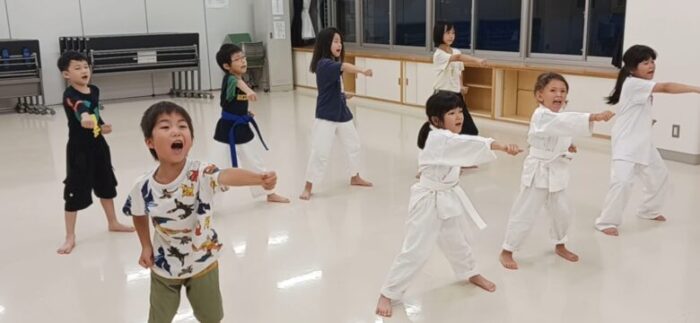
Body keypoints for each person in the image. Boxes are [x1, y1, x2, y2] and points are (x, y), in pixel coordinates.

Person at [123, 101, 278, 323]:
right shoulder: (143, 186)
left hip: (202, 259)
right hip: (165, 265)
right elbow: (138, 213)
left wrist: (258, 179)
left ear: (191, 140)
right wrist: (146, 245)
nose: (176, 130)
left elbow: (225, 175)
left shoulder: (201, 172)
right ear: (150, 142)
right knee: (158, 318)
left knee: (211, 317)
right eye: (165, 127)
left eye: (182, 126)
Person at [375, 91, 522, 318]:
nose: (459, 116)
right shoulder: (439, 138)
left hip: (446, 198)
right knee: (416, 251)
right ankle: (388, 292)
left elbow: (461, 147)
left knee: (456, 241)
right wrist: (499, 146)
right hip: (427, 202)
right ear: (436, 120)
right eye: (451, 113)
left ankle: (470, 272)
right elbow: (464, 143)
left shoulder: (443, 135)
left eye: (460, 111)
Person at [499, 72, 615, 270]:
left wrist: (568, 146)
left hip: (557, 171)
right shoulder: (541, 115)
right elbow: (562, 124)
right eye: (553, 90)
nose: (558, 94)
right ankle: (507, 250)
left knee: (562, 212)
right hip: (538, 172)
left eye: (562, 91)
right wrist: (593, 116)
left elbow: (562, 130)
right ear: (539, 95)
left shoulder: (558, 117)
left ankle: (560, 243)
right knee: (525, 211)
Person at [595, 45, 700, 236]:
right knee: (623, 182)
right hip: (626, 142)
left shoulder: (638, 82)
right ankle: (606, 222)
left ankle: (648, 210)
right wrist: (696, 89)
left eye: (652, 61)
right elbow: (667, 87)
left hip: (643, 141)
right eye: (645, 62)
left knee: (660, 177)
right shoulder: (633, 83)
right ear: (633, 68)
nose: (651, 65)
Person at [56, 50, 133, 255]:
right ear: (66, 74)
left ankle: (113, 222)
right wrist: (85, 119)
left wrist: (100, 125)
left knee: (106, 182)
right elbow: (80, 108)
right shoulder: (69, 95)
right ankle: (70, 236)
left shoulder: (95, 90)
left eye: (86, 67)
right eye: (78, 67)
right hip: (79, 150)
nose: (84, 71)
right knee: (74, 190)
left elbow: (94, 114)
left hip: (99, 145)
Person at [299, 27, 373, 200]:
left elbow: (331, 87)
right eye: (335, 41)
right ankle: (308, 186)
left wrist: (343, 94)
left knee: (353, 145)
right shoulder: (324, 63)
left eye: (340, 41)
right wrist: (362, 70)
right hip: (326, 114)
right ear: (326, 44)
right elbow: (344, 66)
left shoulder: (331, 62)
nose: (339, 44)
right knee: (320, 151)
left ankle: (355, 176)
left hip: (341, 112)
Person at [213, 43, 289, 203]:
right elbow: (237, 84)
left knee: (255, 162)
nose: (243, 61)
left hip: (242, 128)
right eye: (237, 59)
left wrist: (245, 113)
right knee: (216, 169)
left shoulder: (240, 78)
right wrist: (249, 91)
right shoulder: (230, 79)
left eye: (243, 57)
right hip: (226, 131)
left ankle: (269, 192)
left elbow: (235, 100)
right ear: (227, 66)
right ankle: (207, 202)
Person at [432, 21, 487, 136]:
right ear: (439, 34)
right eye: (447, 33)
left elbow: (459, 71)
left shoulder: (456, 51)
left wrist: (461, 86)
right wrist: (477, 60)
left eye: (453, 33)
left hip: (456, 96)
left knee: (470, 130)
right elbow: (457, 58)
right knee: (446, 131)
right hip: (443, 95)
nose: (451, 36)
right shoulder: (438, 54)